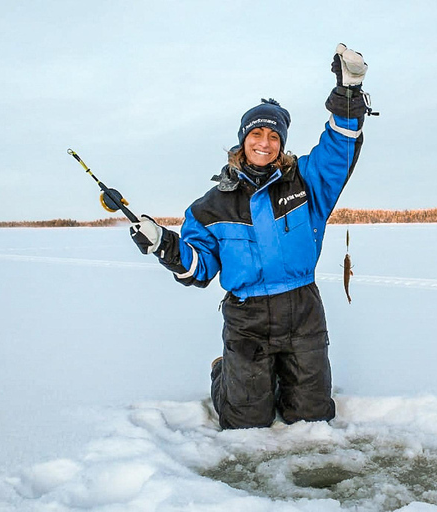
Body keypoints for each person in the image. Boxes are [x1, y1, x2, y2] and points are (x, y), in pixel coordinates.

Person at [129, 43, 372, 429]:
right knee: (245, 422)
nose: (264, 142)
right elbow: (199, 268)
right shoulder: (209, 207)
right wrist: (165, 245)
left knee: (310, 416)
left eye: (273, 136)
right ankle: (224, 372)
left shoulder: (308, 182)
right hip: (247, 318)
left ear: (282, 143)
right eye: (256, 133)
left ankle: (277, 378)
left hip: (302, 308)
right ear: (243, 139)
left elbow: (339, 147)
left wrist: (348, 92)